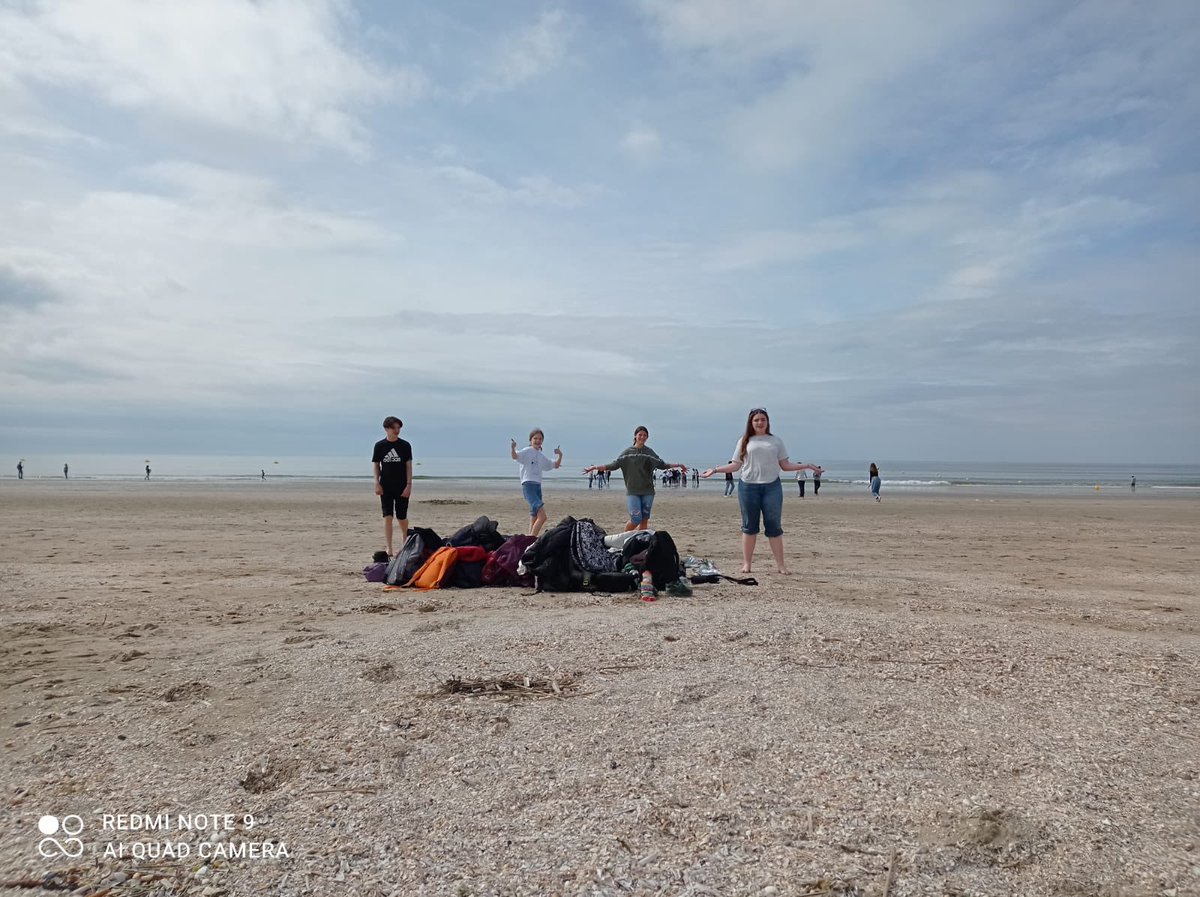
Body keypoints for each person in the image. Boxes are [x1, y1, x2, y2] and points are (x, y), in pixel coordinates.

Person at [701, 408, 823, 574]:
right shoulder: (744, 440)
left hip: (772, 487)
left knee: (774, 526)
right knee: (749, 526)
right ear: (751, 423)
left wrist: (807, 465)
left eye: (763, 419)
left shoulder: (776, 441)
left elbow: (785, 465)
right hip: (748, 487)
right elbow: (735, 465)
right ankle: (747, 564)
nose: (760, 422)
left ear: (767, 422)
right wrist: (715, 470)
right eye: (756, 420)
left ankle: (781, 565)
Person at [583, 426, 688, 532]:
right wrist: (595, 467)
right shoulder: (627, 453)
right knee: (636, 519)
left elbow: (663, 465)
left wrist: (679, 465)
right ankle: (625, 538)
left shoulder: (649, 452)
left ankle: (640, 541)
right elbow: (613, 465)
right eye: (640, 435)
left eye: (645, 435)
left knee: (644, 520)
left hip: (648, 491)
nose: (642, 437)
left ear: (647, 437)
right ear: (635, 436)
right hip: (633, 491)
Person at [372, 416, 413, 556]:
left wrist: (409, 485)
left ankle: (405, 542)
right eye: (394, 428)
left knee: (402, 517)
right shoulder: (379, 446)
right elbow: (376, 466)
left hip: (402, 485)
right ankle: (389, 547)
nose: (397, 430)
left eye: (398, 428)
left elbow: (409, 466)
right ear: (386, 429)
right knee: (387, 516)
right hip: (385, 485)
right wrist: (377, 483)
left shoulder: (405, 445)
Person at [511, 429, 563, 537]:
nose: (537, 441)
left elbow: (555, 465)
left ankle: (529, 538)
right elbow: (515, 456)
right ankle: (532, 538)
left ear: (542, 441)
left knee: (534, 516)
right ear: (530, 440)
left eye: (540, 439)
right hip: (528, 485)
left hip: (538, 486)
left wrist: (560, 455)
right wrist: (513, 448)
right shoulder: (527, 451)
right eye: (535, 438)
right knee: (542, 517)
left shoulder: (540, 456)